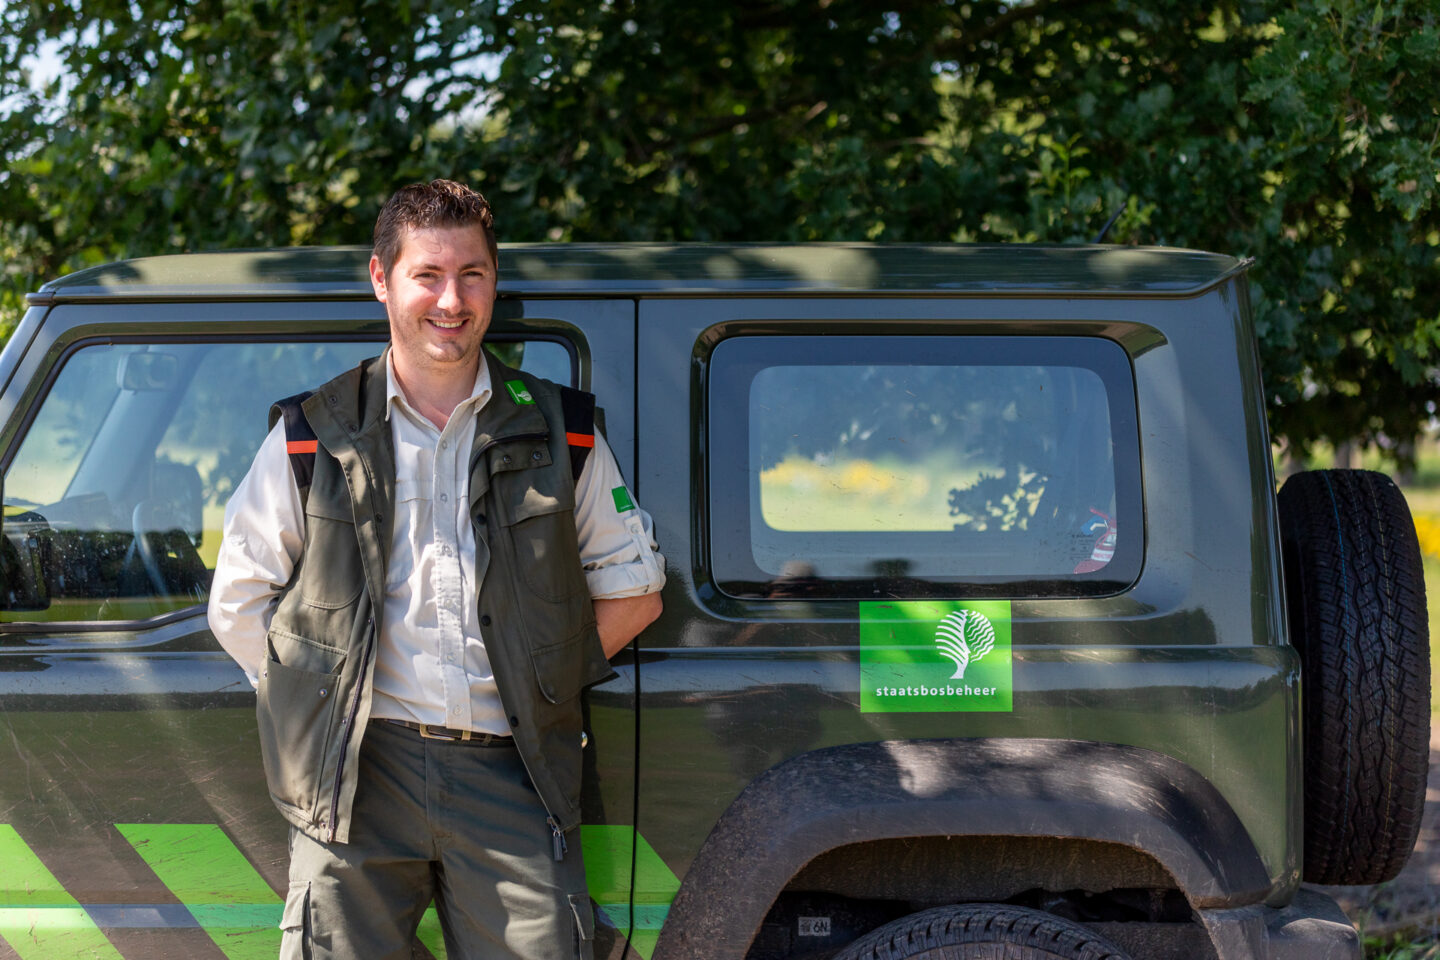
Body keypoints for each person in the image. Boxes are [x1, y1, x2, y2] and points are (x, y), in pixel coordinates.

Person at [207, 179, 665, 960]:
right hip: (356, 777)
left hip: (513, 774)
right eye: (427, 275)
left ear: (493, 281)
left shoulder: (565, 429)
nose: (451, 300)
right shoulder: (314, 430)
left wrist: (537, 682)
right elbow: (239, 600)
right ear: (383, 279)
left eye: (472, 275)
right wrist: (323, 707)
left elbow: (636, 592)